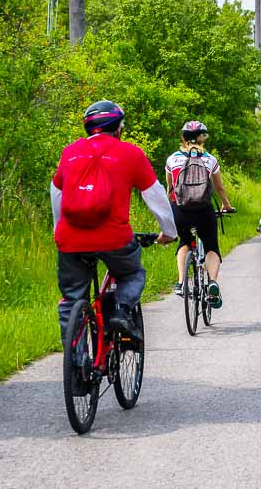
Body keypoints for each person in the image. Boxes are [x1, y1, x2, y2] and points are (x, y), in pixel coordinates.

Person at [51, 100, 177, 346]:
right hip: (114, 239)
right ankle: (119, 309)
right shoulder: (130, 153)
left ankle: (75, 361)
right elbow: (156, 196)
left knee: (71, 298)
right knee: (132, 274)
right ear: (119, 128)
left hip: (70, 239)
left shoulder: (70, 152)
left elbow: (56, 193)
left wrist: (59, 230)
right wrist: (168, 232)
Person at [165, 120, 235, 307]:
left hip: (180, 209)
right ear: (202, 138)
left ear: (183, 137)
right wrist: (226, 206)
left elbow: (170, 188)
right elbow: (219, 187)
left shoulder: (172, 159)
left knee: (184, 242)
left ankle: (181, 282)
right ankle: (212, 281)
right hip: (203, 210)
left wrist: (168, 209)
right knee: (211, 246)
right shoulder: (210, 159)